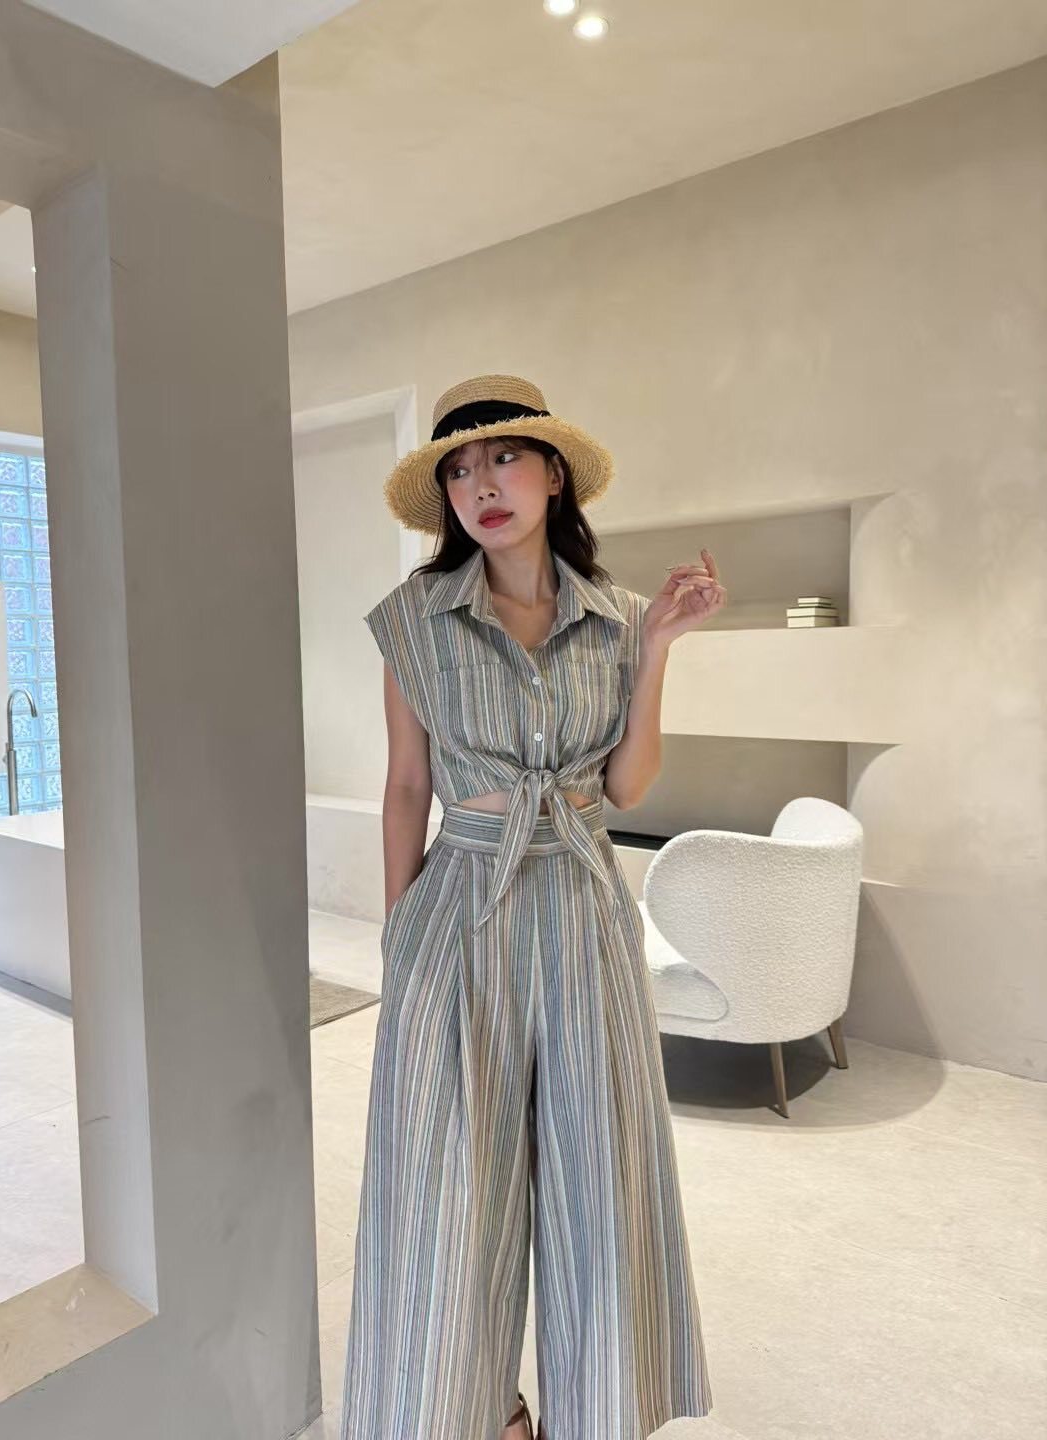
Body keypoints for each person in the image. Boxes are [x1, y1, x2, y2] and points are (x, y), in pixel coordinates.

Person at [340, 374, 726, 1440]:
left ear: (554, 474)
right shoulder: (415, 620)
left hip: (584, 904)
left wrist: (658, 652)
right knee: (447, 1180)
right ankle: (478, 1410)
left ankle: (593, 1407)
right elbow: (406, 785)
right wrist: (400, 932)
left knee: (598, 1173)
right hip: (461, 903)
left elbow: (629, 787)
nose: (481, 485)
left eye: (504, 458)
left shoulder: (623, 620)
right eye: (459, 470)